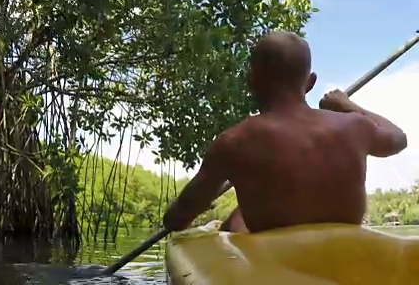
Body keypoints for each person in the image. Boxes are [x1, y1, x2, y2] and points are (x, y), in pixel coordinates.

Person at [162, 31, 407, 234]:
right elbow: (398, 138)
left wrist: (185, 208)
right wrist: (349, 106)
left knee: (237, 219)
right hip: (345, 257)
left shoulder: (233, 143)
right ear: (310, 82)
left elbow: (178, 218)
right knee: (238, 217)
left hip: (276, 262)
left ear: (251, 81)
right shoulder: (355, 126)